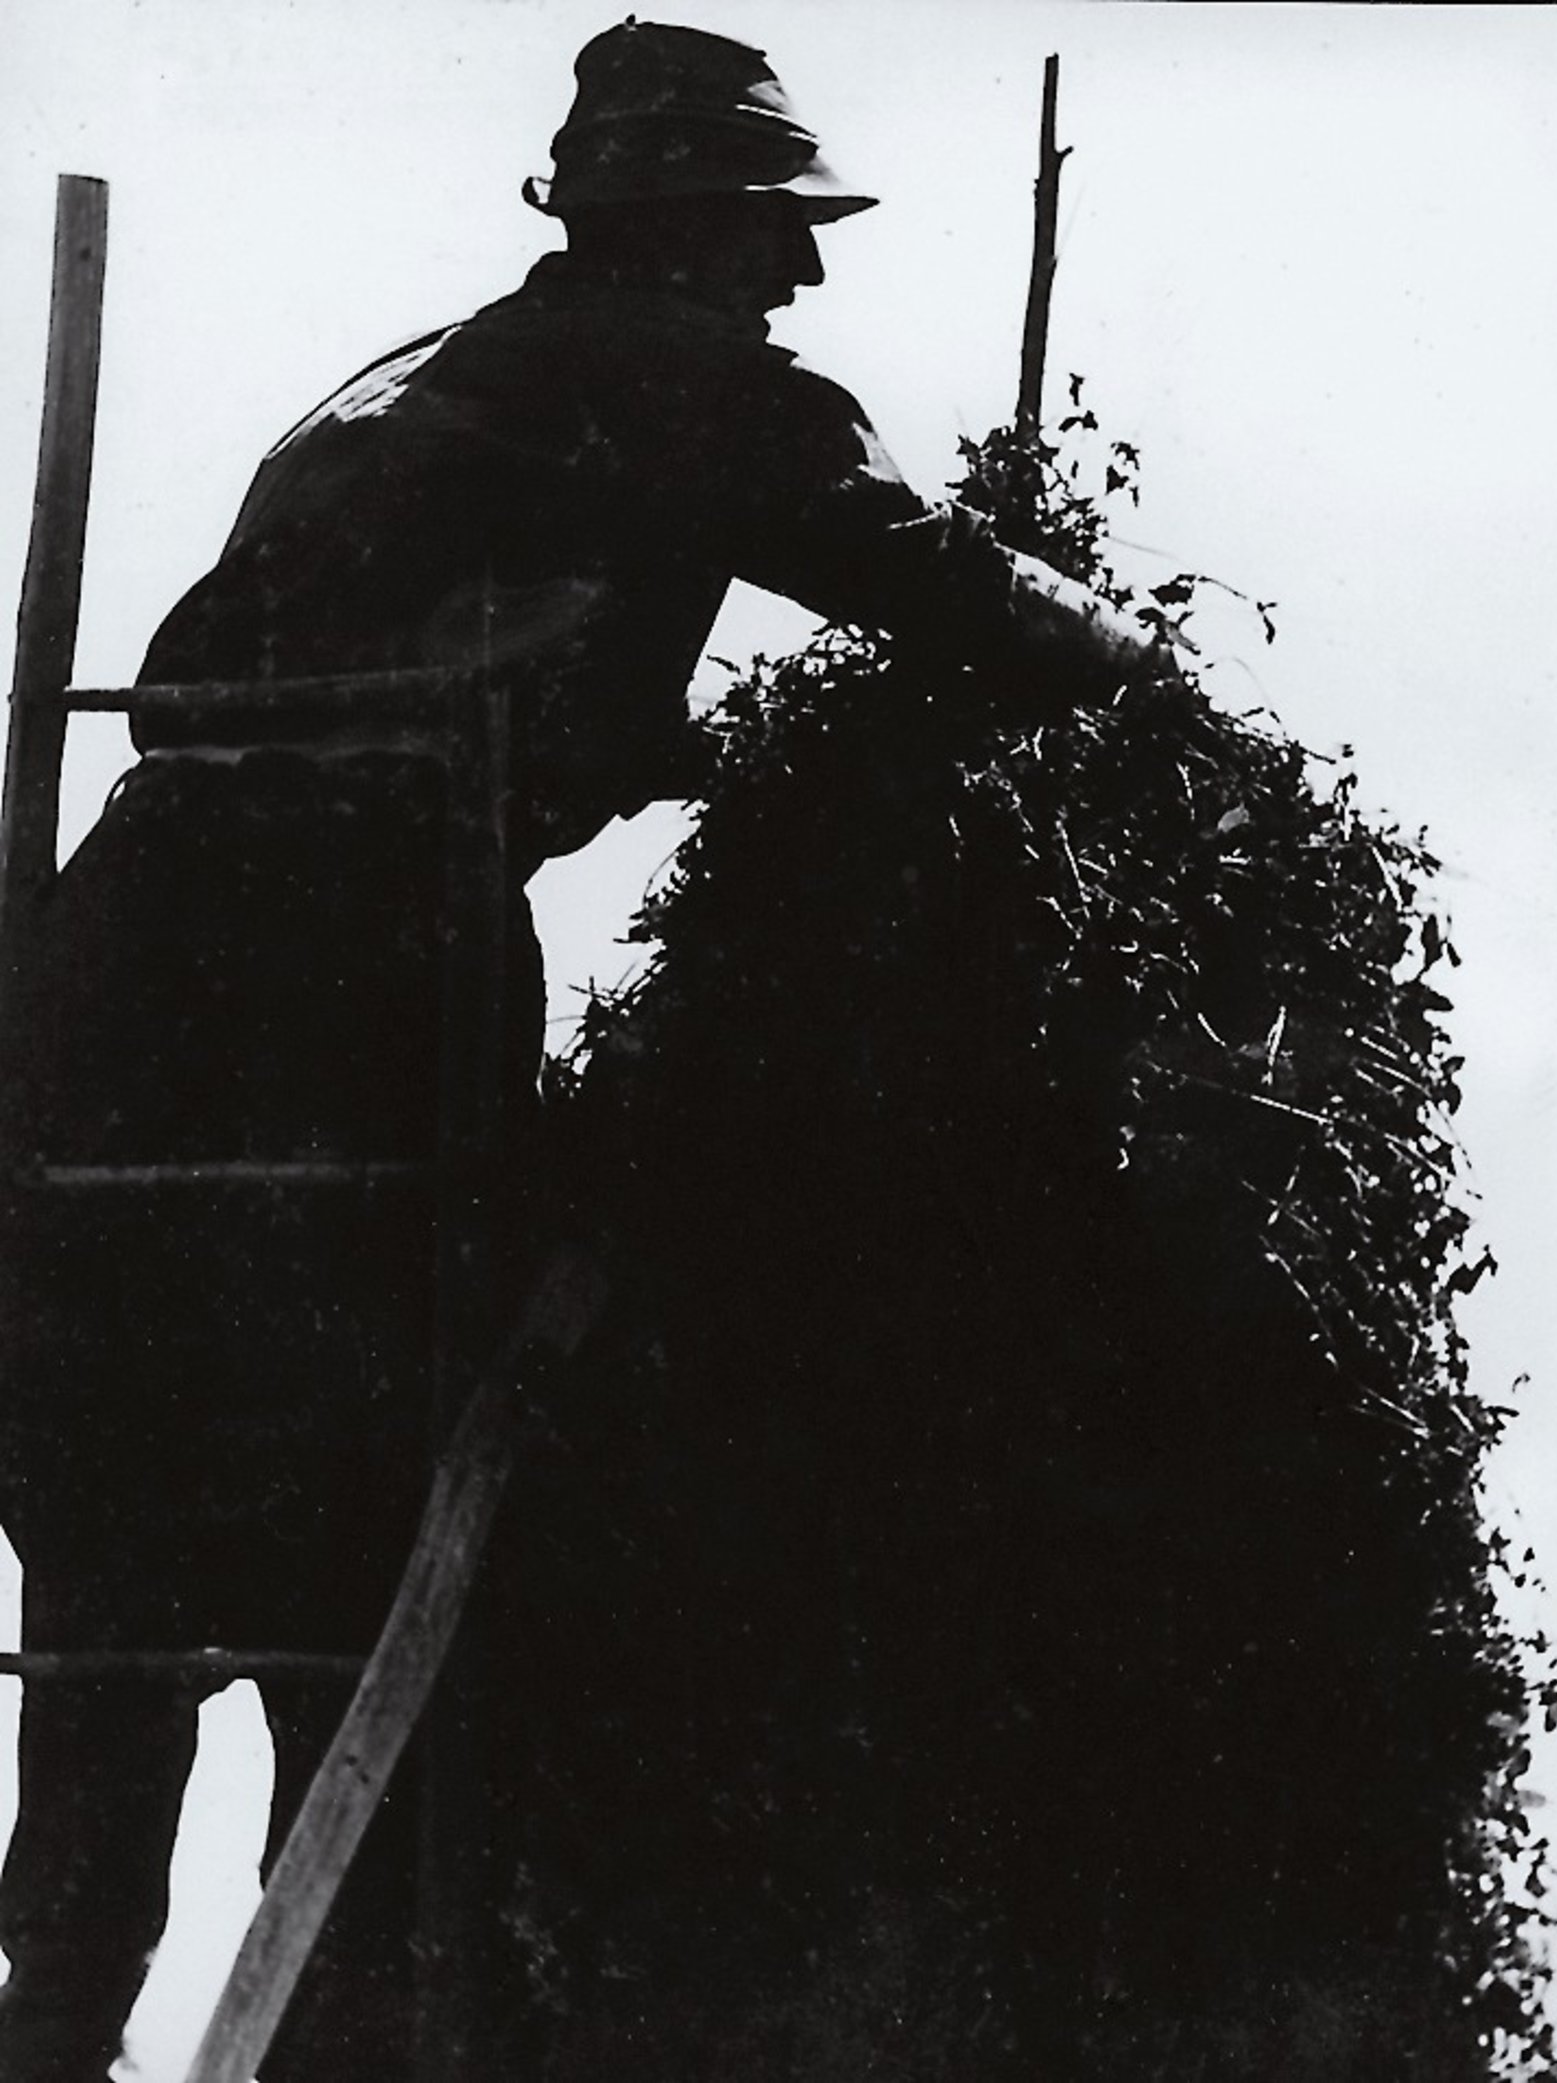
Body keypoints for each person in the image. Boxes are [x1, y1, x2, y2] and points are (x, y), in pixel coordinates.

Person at [0, 20, 1164, 2082]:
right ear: (682, 228)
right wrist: (1156, 689)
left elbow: (469, 659)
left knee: (117, 1636)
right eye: (769, 232)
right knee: (379, 1623)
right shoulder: (684, 378)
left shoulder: (409, 401)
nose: (795, 275)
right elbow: (931, 578)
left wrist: (678, 747)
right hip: (336, 1005)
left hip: (100, 1002)